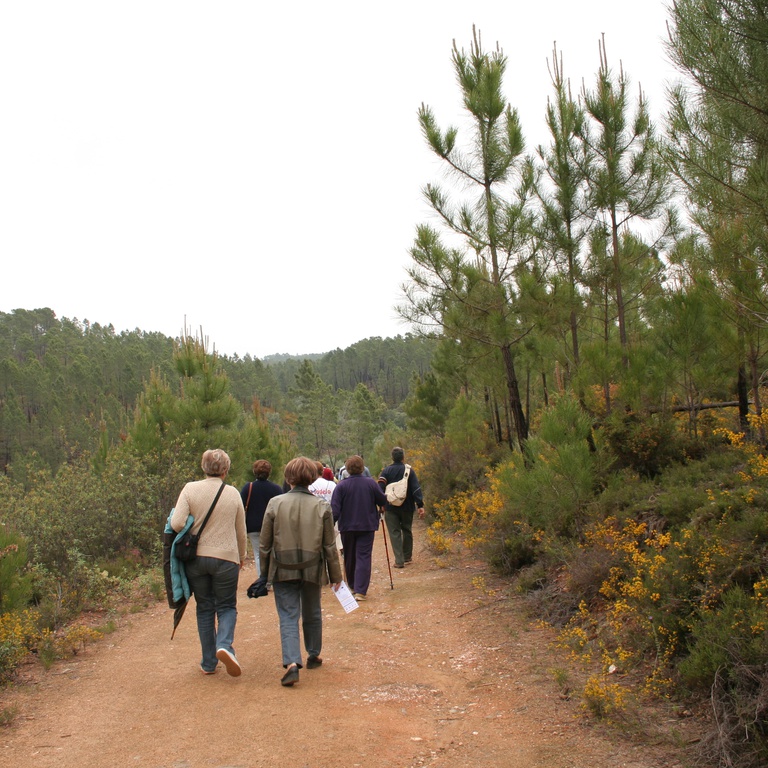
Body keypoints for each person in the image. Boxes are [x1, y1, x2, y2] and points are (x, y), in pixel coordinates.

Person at [259, 456, 343, 687]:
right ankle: (314, 654)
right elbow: (329, 547)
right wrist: (336, 576)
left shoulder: (275, 504)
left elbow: (265, 545)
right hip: (312, 568)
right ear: (312, 478)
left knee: (288, 615)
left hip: (282, 569)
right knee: (312, 611)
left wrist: (264, 576)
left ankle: (292, 663)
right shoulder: (322, 506)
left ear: (288, 478)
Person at [171, 449, 247, 676]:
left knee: (204, 608)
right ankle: (224, 645)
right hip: (226, 559)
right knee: (226, 606)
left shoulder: (189, 489)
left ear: (203, 467)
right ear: (226, 469)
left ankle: (208, 662)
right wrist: (241, 556)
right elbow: (240, 531)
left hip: (196, 559)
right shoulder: (233, 493)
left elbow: (176, 523)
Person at [331, 454, 388, 601]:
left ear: (347, 470)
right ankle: (360, 591)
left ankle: (351, 585)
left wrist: (329, 525)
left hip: (347, 527)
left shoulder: (341, 486)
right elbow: (382, 499)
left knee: (349, 556)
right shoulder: (370, 483)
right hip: (367, 525)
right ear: (362, 468)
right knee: (363, 556)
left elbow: (335, 510)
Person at [377, 447, 425, 569]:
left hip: (391, 507)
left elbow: (380, 488)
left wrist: (381, 504)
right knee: (407, 530)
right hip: (407, 506)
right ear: (403, 457)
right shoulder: (409, 471)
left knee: (394, 533)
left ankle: (399, 561)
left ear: (392, 458)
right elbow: (416, 488)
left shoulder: (386, 471)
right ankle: (407, 556)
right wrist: (420, 505)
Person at [240, 459, 283, 578]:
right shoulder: (276, 489)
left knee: (258, 554)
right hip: (272, 526)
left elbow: (241, 505)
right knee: (271, 553)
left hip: (253, 526)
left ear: (254, 472)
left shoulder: (248, 487)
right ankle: (272, 578)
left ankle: (262, 580)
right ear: (269, 472)